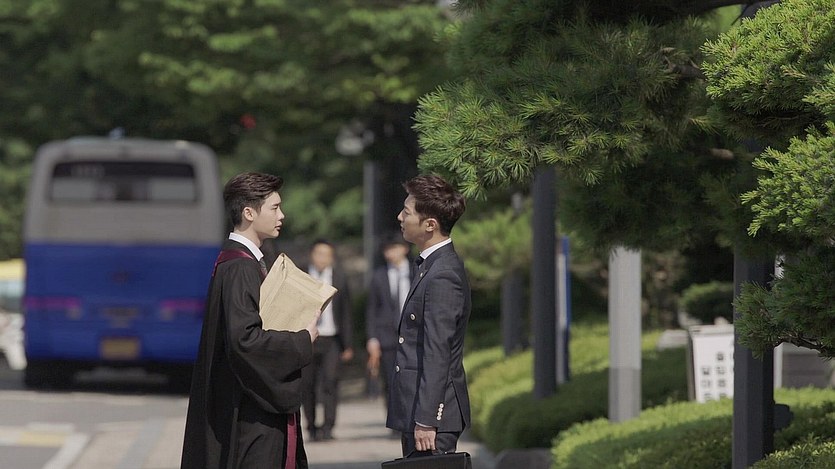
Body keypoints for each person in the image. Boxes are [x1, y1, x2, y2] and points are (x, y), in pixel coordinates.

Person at [181, 172, 320, 469]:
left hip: (242, 405)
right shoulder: (240, 267)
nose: (281, 215)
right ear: (249, 213)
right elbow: (244, 339)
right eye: (274, 208)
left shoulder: (237, 260)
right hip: (249, 414)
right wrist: (301, 339)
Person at [385, 174, 471, 456]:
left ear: (430, 224)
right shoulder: (430, 266)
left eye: (407, 212)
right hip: (417, 409)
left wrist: (427, 418)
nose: (400, 217)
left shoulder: (443, 274)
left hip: (431, 418)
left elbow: (437, 351)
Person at [301, 239, 353, 441]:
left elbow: (346, 312)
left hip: (332, 338)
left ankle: (328, 427)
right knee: (308, 384)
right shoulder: (303, 275)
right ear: (311, 255)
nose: (322, 258)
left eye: (326, 255)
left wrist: (347, 344)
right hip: (308, 338)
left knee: (331, 382)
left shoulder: (339, 277)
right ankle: (311, 427)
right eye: (319, 254)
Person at [365, 234, 413, 408]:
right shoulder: (379, 276)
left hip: (412, 336)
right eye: (387, 250)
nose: (390, 253)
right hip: (387, 337)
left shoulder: (417, 272)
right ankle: (394, 418)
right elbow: (372, 309)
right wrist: (372, 338)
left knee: (411, 380)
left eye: (394, 248)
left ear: (404, 249)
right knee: (390, 381)